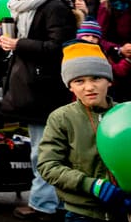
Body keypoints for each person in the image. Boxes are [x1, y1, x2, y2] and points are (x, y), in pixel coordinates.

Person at [1, 0, 81, 220]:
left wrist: (18, 45)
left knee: (43, 149)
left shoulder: (53, 4)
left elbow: (59, 47)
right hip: (31, 84)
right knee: (44, 146)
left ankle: (43, 204)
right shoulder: (21, 3)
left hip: (46, 87)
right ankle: (53, 201)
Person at [35, 42, 131, 221]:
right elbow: (48, 166)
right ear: (70, 86)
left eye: (96, 78)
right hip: (81, 213)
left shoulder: (126, 114)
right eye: (79, 81)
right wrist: (91, 185)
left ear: (109, 81)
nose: (89, 87)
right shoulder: (61, 118)